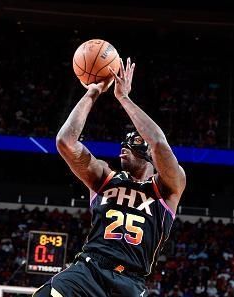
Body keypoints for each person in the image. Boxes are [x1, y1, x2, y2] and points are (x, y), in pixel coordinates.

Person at [34, 58, 186, 297]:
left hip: (130, 283)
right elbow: (65, 142)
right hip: (88, 271)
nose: (124, 145)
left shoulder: (167, 188)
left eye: (133, 141)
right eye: (123, 142)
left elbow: (159, 142)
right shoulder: (105, 177)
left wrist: (123, 98)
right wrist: (93, 93)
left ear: (148, 153)